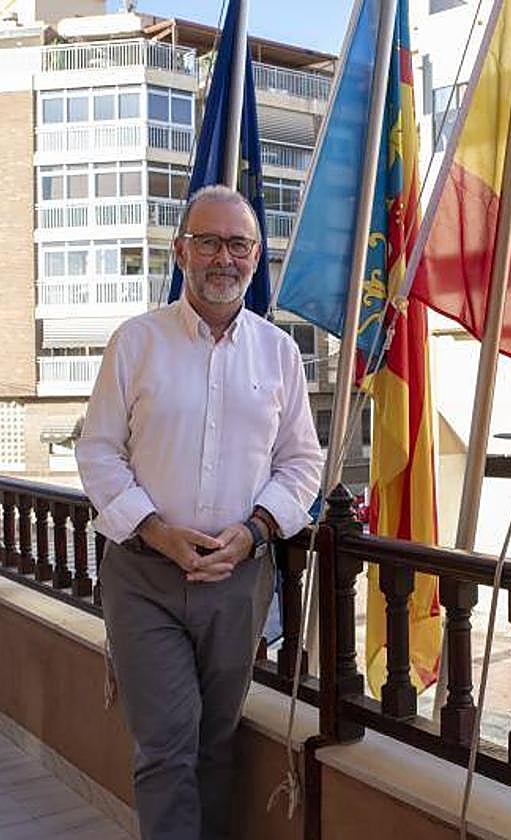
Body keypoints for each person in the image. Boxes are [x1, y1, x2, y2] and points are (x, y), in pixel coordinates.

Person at [76, 184, 323, 840]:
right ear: (181, 250)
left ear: (256, 256)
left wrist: (252, 533)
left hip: (237, 583)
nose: (224, 257)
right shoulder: (136, 342)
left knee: (215, 746)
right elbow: (97, 452)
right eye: (208, 242)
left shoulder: (279, 354)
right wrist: (156, 531)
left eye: (238, 244)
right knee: (165, 747)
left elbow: (302, 464)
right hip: (145, 578)